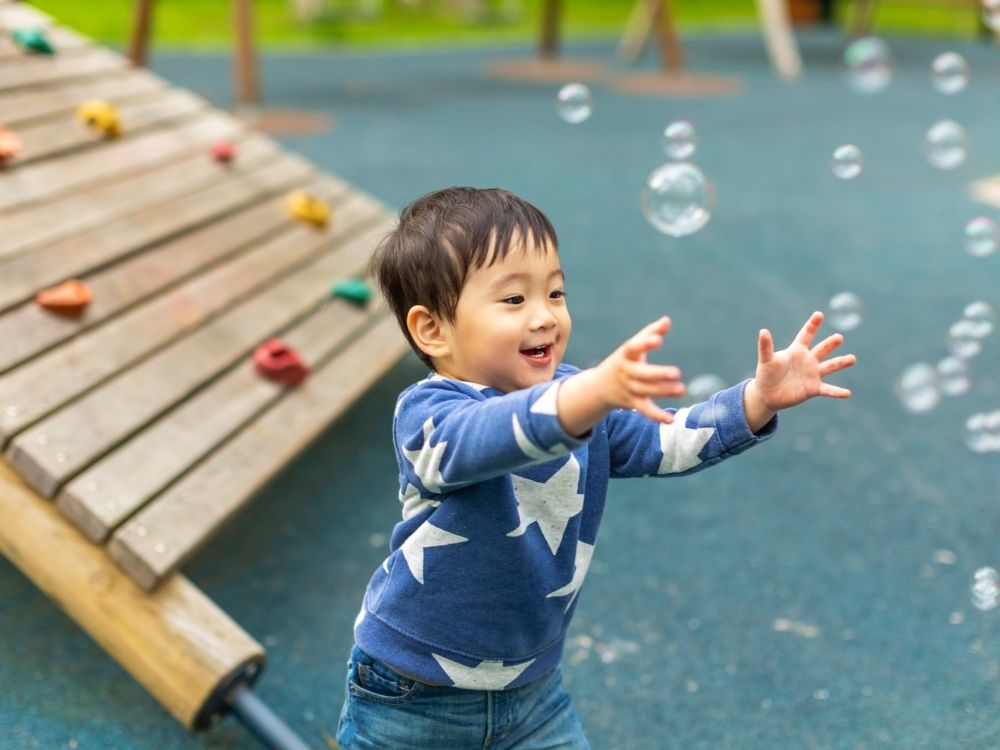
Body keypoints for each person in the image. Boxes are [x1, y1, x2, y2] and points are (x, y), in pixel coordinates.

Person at [335, 187, 856, 749]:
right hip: (412, 691)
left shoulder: (579, 394)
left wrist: (755, 400)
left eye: (556, 292)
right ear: (433, 329)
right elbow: (486, 437)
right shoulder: (428, 413)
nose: (545, 316)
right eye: (514, 299)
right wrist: (590, 395)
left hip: (533, 691)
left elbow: (665, 441)